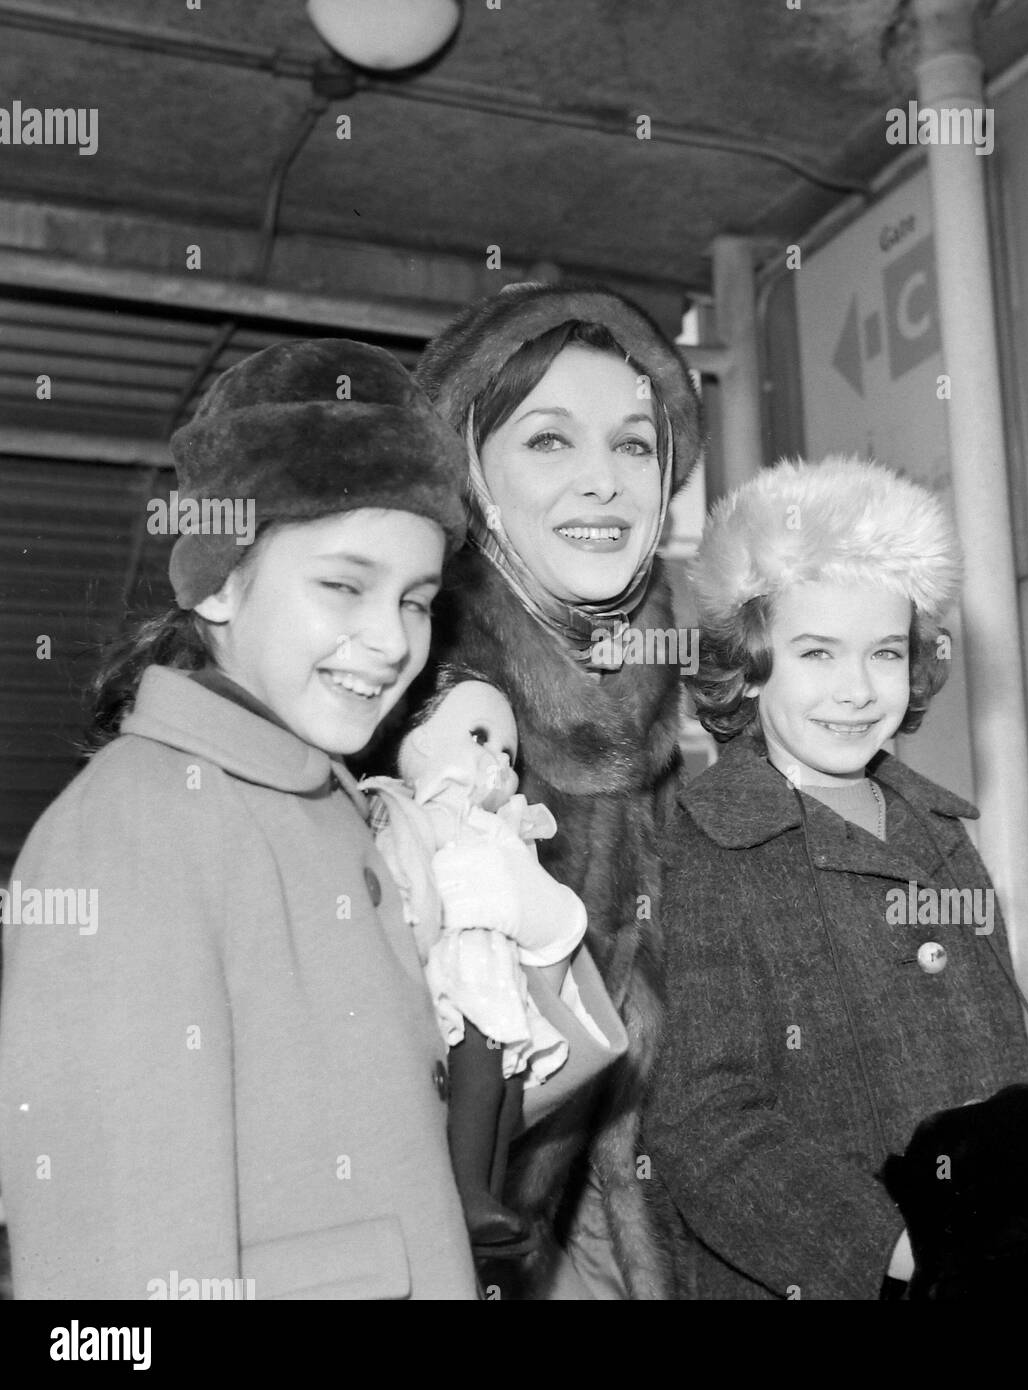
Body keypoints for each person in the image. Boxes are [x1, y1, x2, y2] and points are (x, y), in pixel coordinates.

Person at [0, 338, 625, 1299]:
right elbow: (116, 1265)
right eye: (343, 585)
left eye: (416, 600)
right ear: (216, 579)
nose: (389, 641)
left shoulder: (334, 813)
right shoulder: (135, 828)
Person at [642, 455, 1028, 1299]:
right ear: (750, 660)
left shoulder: (940, 831)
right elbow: (706, 1127)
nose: (856, 691)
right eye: (817, 652)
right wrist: (905, 1251)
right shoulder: (714, 845)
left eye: (884, 653)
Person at [413, 282, 703, 1299]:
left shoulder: (708, 703)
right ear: (467, 471)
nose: (605, 483)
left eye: (633, 445)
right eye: (548, 442)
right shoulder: (411, 713)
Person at [362, 669, 591, 1258]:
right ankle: (463, 1193)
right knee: (479, 1074)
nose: (498, 761)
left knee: (509, 1088)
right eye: (479, 736)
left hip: (498, 973)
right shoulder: (413, 810)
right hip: (456, 970)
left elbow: (546, 912)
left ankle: (488, 1200)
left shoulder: (496, 828)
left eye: (509, 754)